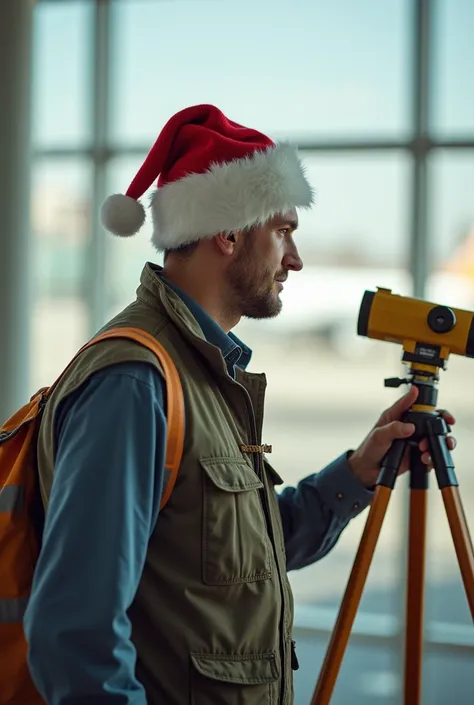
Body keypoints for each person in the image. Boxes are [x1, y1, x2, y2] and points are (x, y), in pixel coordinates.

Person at [23, 104, 457, 705]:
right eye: (283, 231)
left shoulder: (204, 371)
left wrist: (357, 473)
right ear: (228, 234)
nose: (295, 259)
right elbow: (75, 632)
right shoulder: (136, 383)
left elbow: (234, 553)